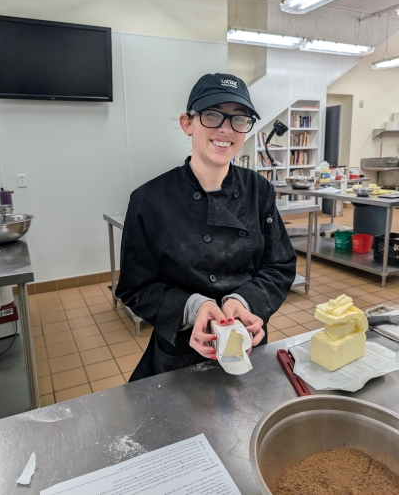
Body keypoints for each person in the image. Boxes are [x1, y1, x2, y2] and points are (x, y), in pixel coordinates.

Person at [116, 73, 297, 381]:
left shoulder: (259, 190)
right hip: (181, 353)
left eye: (239, 119)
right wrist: (193, 307)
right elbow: (135, 289)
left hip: (249, 346)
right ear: (188, 123)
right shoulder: (149, 201)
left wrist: (244, 301)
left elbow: (279, 266)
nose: (226, 129)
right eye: (213, 115)